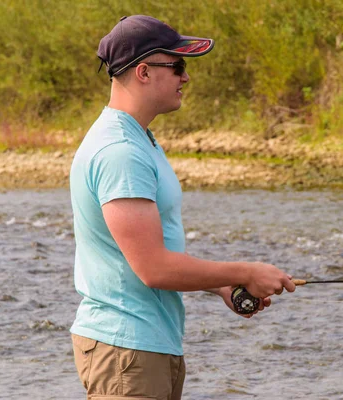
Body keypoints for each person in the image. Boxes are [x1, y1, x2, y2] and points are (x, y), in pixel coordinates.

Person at [69, 15, 295, 400]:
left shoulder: (139, 139)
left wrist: (222, 285)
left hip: (146, 348)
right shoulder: (120, 153)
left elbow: (154, 254)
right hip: (128, 352)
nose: (185, 77)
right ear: (143, 72)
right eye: (177, 66)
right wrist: (245, 271)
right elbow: (154, 268)